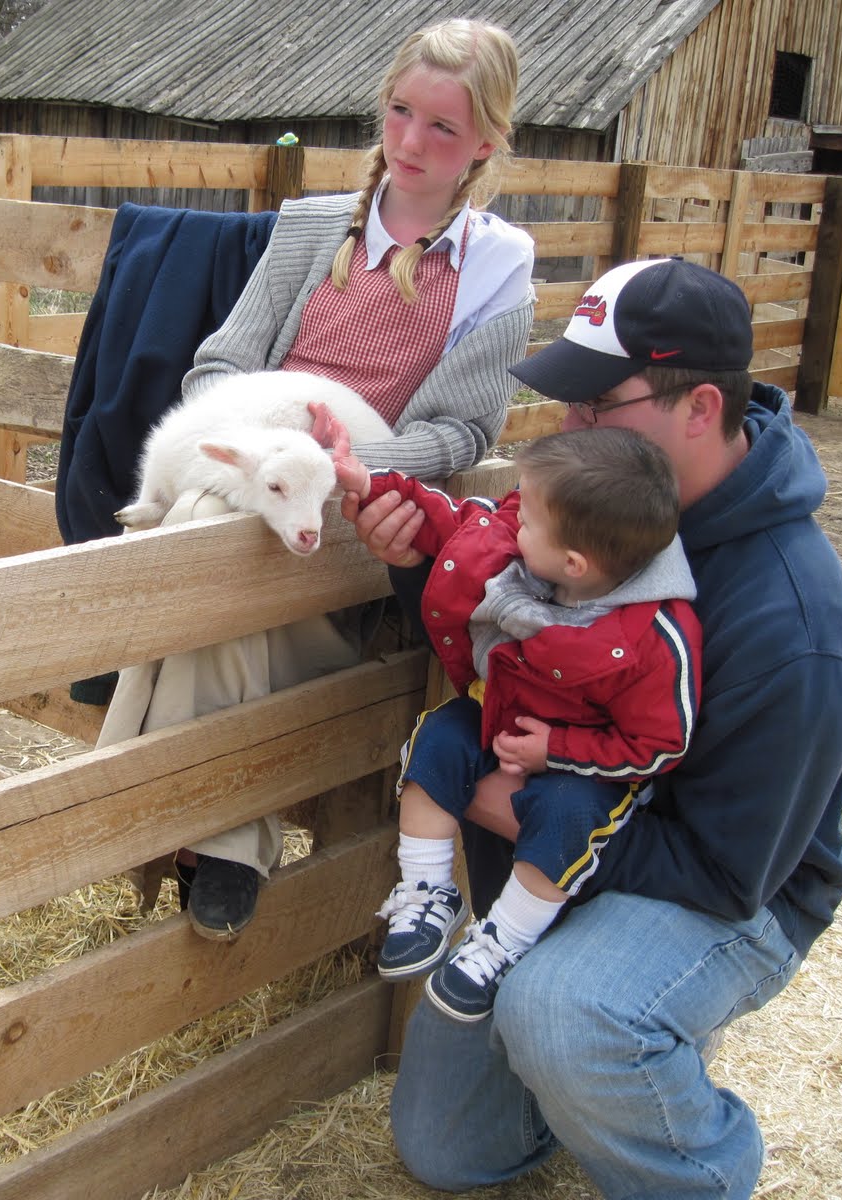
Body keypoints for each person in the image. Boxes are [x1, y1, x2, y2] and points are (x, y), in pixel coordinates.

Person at [345, 256, 842, 1197]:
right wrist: (412, 564)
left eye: (596, 405)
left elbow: (728, 871)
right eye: (566, 404)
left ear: (700, 408)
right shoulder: (591, 502)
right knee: (445, 1149)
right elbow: (509, 631)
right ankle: (598, 1067)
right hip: (566, 831)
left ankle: (700, 1161)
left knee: (567, 1014)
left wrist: (520, 810)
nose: (569, 427)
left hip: (727, 896)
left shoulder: (796, 630)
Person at [97, 17, 536, 941]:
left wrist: (354, 467)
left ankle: (132, 794)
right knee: (220, 502)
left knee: (204, 515)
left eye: (443, 129)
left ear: (485, 145)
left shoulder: (497, 265)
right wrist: (259, 443)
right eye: (400, 112)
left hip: (367, 521)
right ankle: (221, 837)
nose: (411, 142)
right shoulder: (308, 228)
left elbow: (460, 430)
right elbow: (217, 365)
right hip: (265, 476)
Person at [331, 427, 700, 1021]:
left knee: (566, 821)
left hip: (582, 759)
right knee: (436, 742)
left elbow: (658, 745)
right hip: (499, 711)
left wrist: (557, 749)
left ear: (573, 564)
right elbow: (455, 519)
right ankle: (429, 890)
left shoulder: (654, 641)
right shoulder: (526, 547)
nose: (510, 519)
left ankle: (504, 938)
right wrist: (371, 485)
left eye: (525, 517)